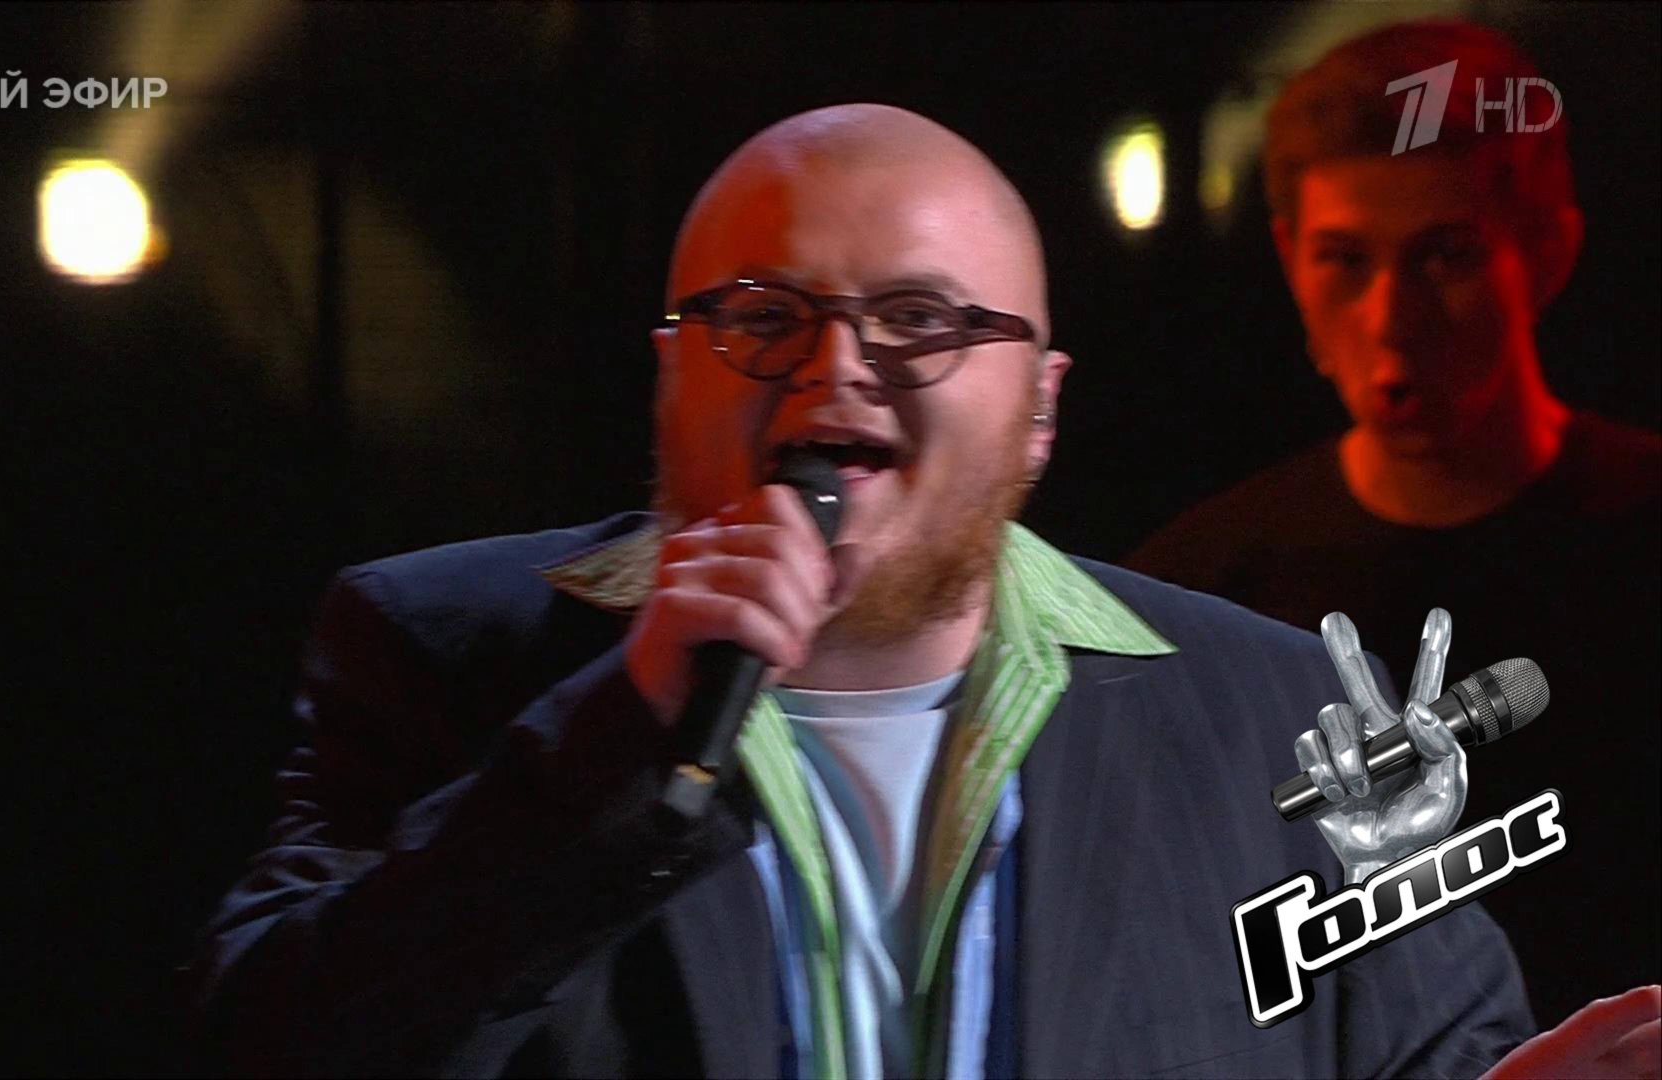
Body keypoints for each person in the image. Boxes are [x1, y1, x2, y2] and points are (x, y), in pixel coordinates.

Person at [188, 104, 1636, 1078]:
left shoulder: (1274, 708)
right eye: (763, 316)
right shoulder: (444, 646)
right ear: (671, 373)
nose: (836, 369)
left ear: (1042, 409)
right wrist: (619, 736)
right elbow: (277, 1043)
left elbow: (1432, 1055)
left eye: (919, 319)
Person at [1127, 20, 1661, 1030]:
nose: (1390, 321)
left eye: (1445, 257)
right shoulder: (1199, 593)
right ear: (1289, 260)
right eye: (1344, 260)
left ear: (1547, 253)